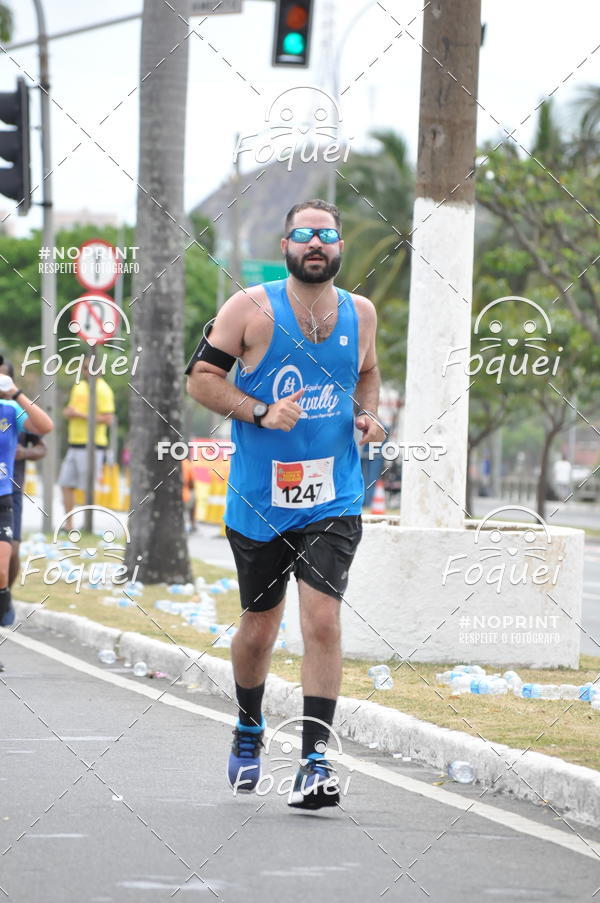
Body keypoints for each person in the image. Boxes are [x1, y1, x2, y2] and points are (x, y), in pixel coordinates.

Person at [186, 199, 385, 810]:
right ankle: (249, 723)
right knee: (260, 626)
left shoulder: (362, 313)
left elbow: (369, 372)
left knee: (322, 620)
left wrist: (370, 414)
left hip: (334, 494)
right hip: (260, 498)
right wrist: (260, 412)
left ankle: (315, 760)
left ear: (340, 246)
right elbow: (201, 378)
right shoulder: (249, 308)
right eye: (305, 234)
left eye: (327, 234)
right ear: (286, 245)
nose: (317, 243)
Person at [0, 362, 53, 655]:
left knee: (7, 561)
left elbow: (44, 432)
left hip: (7, 492)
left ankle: (5, 595)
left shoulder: (11, 410)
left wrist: (16, 393)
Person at [0, 359, 47, 589]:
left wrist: (24, 452)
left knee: (12, 550)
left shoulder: (18, 413)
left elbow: (42, 445)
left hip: (12, 488)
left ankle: (5, 595)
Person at [58, 354, 115, 531]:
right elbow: (72, 409)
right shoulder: (79, 387)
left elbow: (108, 418)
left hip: (93, 446)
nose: (85, 372)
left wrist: (80, 415)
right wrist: (68, 413)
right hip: (74, 443)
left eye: (89, 368)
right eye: (83, 368)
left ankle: (88, 525)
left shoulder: (103, 390)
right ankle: (70, 525)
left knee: (87, 488)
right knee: (66, 484)